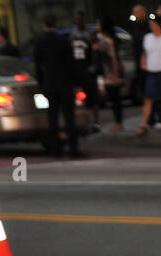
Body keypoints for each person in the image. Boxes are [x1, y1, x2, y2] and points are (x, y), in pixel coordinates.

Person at [33, 13, 84, 158]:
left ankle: (56, 149)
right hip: (65, 83)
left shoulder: (40, 41)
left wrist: (41, 84)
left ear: (44, 25)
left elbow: (37, 65)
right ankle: (73, 148)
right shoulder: (63, 40)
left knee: (52, 117)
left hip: (50, 83)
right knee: (69, 117)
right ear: (56, 24)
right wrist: (76, 82)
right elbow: (71, 63)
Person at [137, 13, 161, 134]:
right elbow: (145, 52)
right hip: (151, 72)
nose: (152, 26)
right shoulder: (147, 37)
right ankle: (144, 124)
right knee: (148, 99)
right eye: (150, 24)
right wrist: (143, 62)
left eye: (153, 24)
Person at [68, 10, 99, 130]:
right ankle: (84, 121)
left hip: (88, 69)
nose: (78, 22)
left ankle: (96, 122)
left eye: (80, 19)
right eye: (76, 19)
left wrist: (93, 67)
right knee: (81, 96)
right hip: (78, 69)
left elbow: (95, 52)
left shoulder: (89, 35)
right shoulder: (73, 36)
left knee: (93, 96)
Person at [94, 19, 124, 132]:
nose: (97, 26)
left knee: (115, 98)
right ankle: (118, 122)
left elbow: (113, 58)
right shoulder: (104, 39)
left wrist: (115, 73)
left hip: (110, 72)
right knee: (113, 97)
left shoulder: (107, 41)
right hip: (106, 72)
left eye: (98, 24)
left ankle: (119, 122)